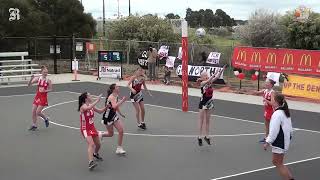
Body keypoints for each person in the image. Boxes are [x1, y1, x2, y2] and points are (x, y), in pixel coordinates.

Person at [264, 93, 294, 180]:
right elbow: (290, 128)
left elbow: (274, 130)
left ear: (276, 102)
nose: (271, 100)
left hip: (279, 141)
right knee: (277, 162)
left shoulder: (277, 114)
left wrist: (268, 142)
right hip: (283, 140)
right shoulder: (284, 112)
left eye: (272, 99)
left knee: (278, 163)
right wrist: (289, 138)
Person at [197, 65, 226, 146]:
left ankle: (207, 136)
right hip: (202, 103)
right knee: (201, 121)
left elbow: (216, 77)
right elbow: (208, 81)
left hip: (209, 103)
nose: (207, 76)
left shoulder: (210, 81)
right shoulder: (202, 83)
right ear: (202, 77)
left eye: (207, 75)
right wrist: (213, 75)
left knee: (208, 121)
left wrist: (221, 71)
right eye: (205, 75)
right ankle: (199, 136)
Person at [78, 93, 108, 170]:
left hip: (92, 127)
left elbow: (100, 111)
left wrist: (106, 107)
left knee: (98, 144)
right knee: (91, 144)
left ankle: (95, 154)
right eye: (89, 95)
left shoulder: (91, 106)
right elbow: (87, 108)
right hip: (85, 128)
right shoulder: (83, 106)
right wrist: (97, 100)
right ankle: (90, 162)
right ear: (86, 98)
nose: (91, 96)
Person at [101, 84, 127, 155]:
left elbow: (116, 107)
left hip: (114, 116)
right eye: (117, 87)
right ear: (114, 89)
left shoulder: (116, 95)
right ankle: (100, 134)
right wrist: (123, 100)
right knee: (110, 134)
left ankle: (119, 148)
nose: (119, 87)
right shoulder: (111, 97)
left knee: (121, 131)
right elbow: (114, 106)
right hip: (108, 117)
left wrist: (120, 113)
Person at [28, 66, 52, 131]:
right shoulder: (38, 78)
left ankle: (46, 119)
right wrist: (31, 78)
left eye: (46, 72)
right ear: (41, 72)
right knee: (33, 111)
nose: (45, 73)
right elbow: (29, 84)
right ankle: (34, 125)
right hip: (38, 96)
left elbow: (51, 89)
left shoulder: (48, 80)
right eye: (44, 72)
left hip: (43, 97)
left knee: (38, 112)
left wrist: (45, 91)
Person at [255, 79, 276, 143]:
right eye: (266, 83)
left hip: (271, 111)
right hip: (266, 110)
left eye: (268, 83)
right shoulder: (265, 91)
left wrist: (266, 100)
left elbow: (273, 103)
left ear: (271, 85)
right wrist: (246, 91)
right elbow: (257, 93)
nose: (266, 84)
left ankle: (273, 138)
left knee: (272, 125)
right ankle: (267, 138)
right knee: (267, 125)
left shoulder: (272, 92)